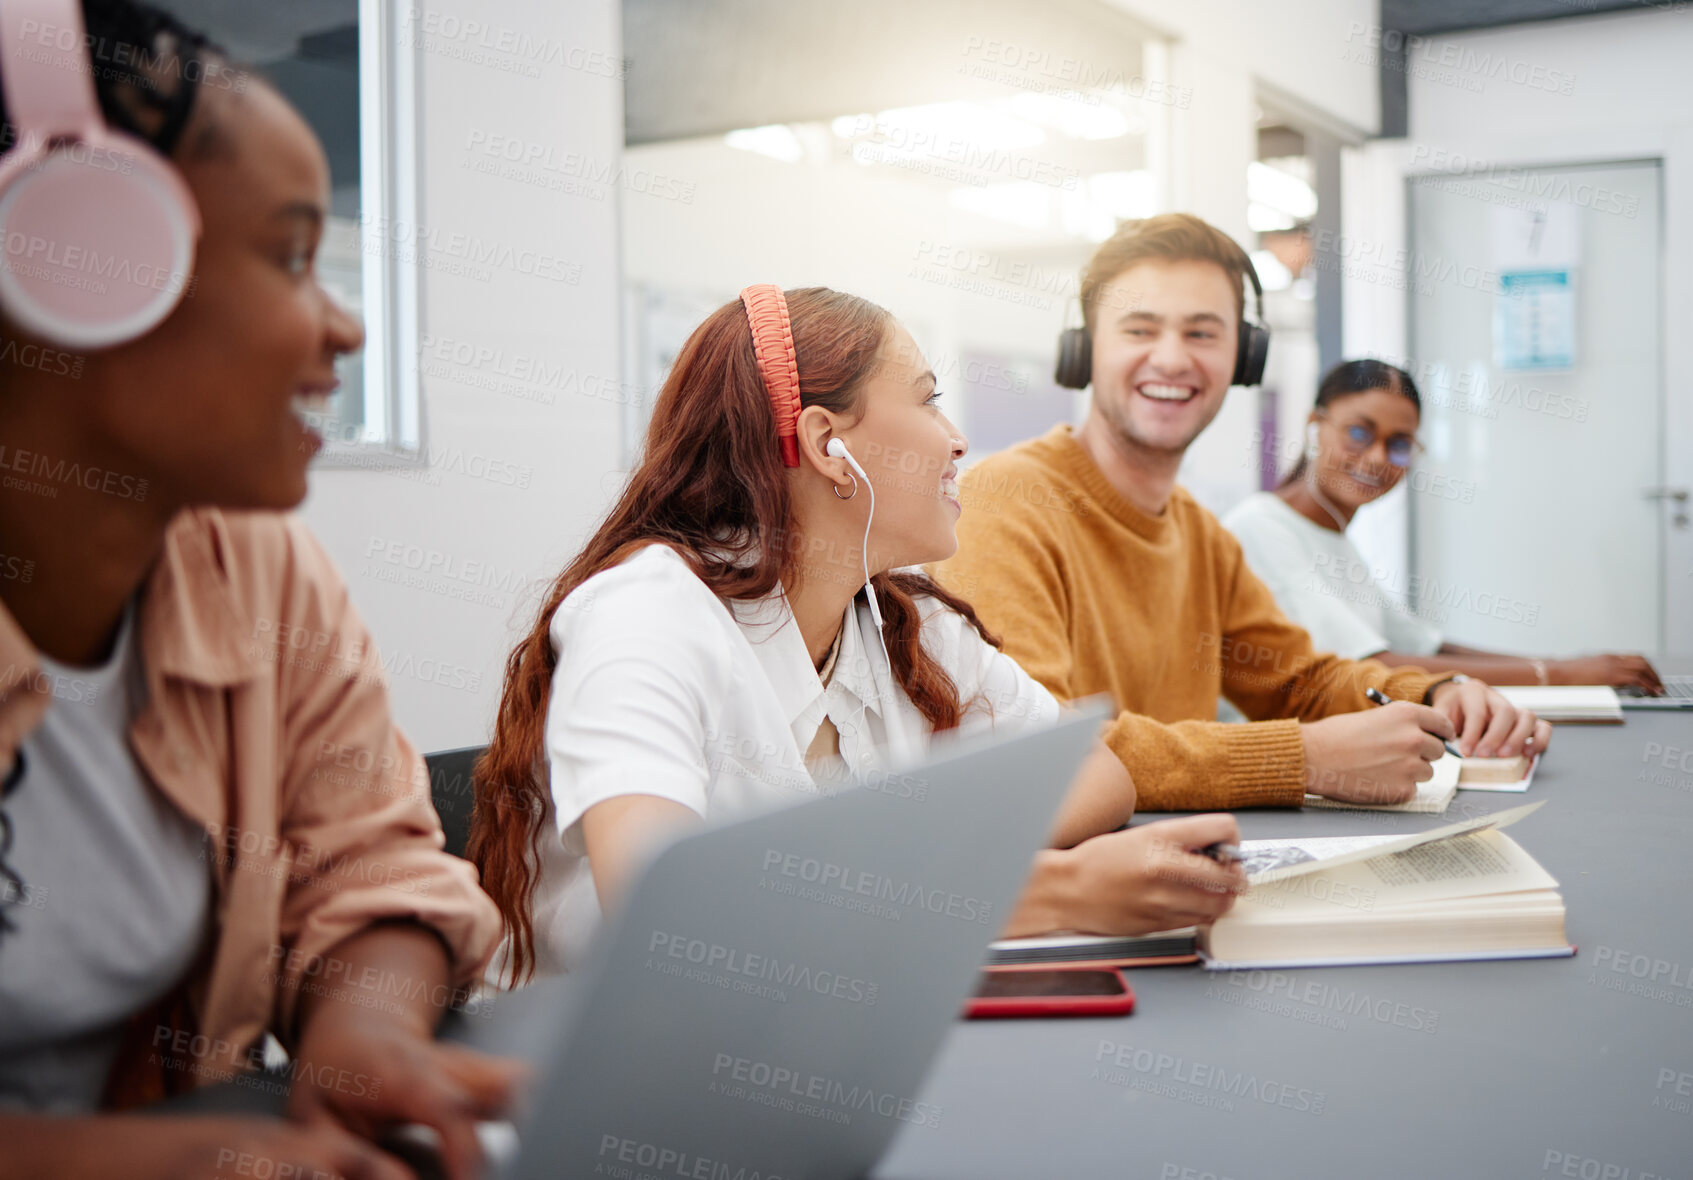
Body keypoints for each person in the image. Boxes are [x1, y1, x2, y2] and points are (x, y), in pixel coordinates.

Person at [0, 3, 518, 1176]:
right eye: (292, 255)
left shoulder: (257, 568)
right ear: (78, 268)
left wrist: (366, 1035)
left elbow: (371, 865)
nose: (342, 324)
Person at [469, 285, 1246, 987]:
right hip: (596, 1087)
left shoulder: (899, 618)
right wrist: (1047, 891)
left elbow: (1098, 771)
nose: (955, 440)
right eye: (928, 401)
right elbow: (676, 923)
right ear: (824, 445)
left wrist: (903, 864)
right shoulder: (645, 619)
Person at [932, 213, 1552, 813]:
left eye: (1202, 333)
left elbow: (1299, 683)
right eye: (1140, 329)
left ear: (1244, 358)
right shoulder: (1005, 502)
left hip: (1192, 864)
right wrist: (1303, 758)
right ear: (1085, 349)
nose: (1173, 359)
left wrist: (1436, 693)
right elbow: (1046, 750)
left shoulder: (1198, 534)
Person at [1223, 358, 1664, 694]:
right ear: (1315, 426)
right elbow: (1377, 666)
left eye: (1398, 444)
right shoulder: (1261, 528)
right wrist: (1562, 676)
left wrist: (1565, 664)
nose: (1377, 458)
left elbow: (1424, 648)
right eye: (1359, 433)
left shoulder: (1333, 537)